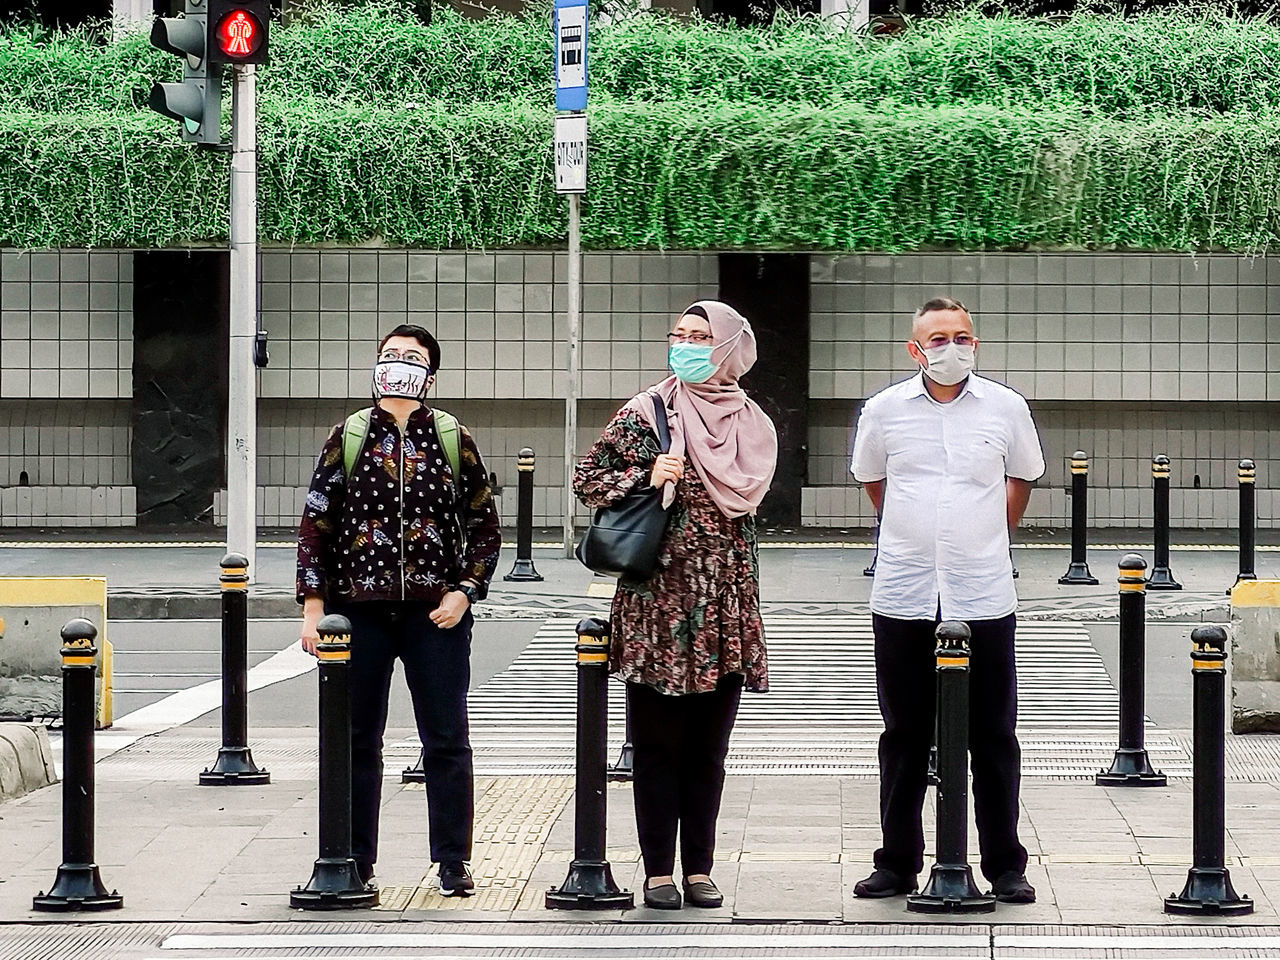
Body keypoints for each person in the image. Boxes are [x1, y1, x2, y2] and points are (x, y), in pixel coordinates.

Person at [573, 300, 778, 911]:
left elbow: (744, 503)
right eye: (678, 335)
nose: (685, 345)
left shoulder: (752, 423)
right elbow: (588, 479)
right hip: (657, 605)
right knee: (657, 745)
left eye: (699, 336)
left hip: (724, 605)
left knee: (708, 751)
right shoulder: (648, 411)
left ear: (731, 350)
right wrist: (644, 474)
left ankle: (700, 869)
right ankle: (658, 869)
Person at [849, 297, 1044, 904]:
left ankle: (1005, 863)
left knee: (993, 734)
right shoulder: (883, 411)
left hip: (983, 590)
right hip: (905, 589)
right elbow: (874, 482)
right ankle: (898, 861)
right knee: (904, 731)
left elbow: (1022, 480)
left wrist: (981, 535)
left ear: (975, 343)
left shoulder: (1007, 407)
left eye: (962, 336)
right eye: (938, 339)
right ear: (915, 349)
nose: (951, 348)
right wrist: (916, 532)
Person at [296, 323, 502, 896]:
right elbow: (317, 523)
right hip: (357, 614)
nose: (398, 364)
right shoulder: (350, 435)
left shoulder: (453, 437)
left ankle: (452, 859)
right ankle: (354, 857)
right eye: (389, 355)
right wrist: (314, 608)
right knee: (358, 739)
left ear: (429, 376)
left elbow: (485, 528)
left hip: (434, 614)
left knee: (445, 738)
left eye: (411, 357)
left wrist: (464, 591)